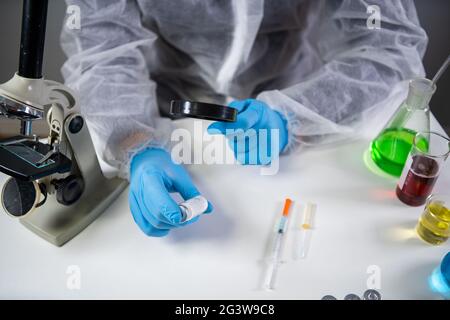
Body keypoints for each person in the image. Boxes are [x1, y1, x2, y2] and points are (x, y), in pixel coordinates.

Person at [61, 0, 427, 236]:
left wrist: (292, 117)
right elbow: (102, 49)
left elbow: (386, 48)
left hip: (299, 97)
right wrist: (136, 146)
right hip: (163, 101)